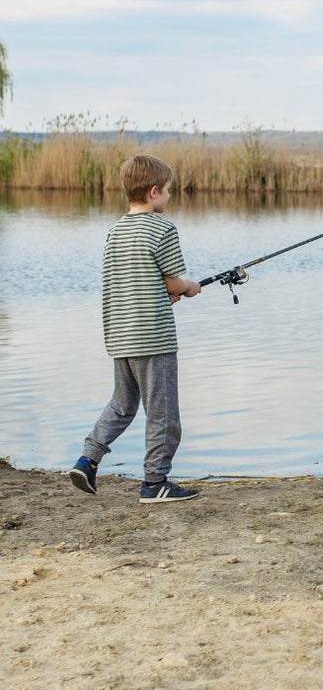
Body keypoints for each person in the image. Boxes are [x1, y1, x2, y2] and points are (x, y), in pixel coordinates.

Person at [69, 154, 202, 503]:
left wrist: (163, 292)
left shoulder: (114, 231)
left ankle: (88, 458)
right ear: (154, 191)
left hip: (120, 334)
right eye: (169, 191)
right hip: (154, 337)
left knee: (122, 404)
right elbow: (174, 283)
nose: (170, 197)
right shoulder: (163, 228)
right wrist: (188, 287)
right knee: (163, 412)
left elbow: (128, 282)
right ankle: (155, 483)